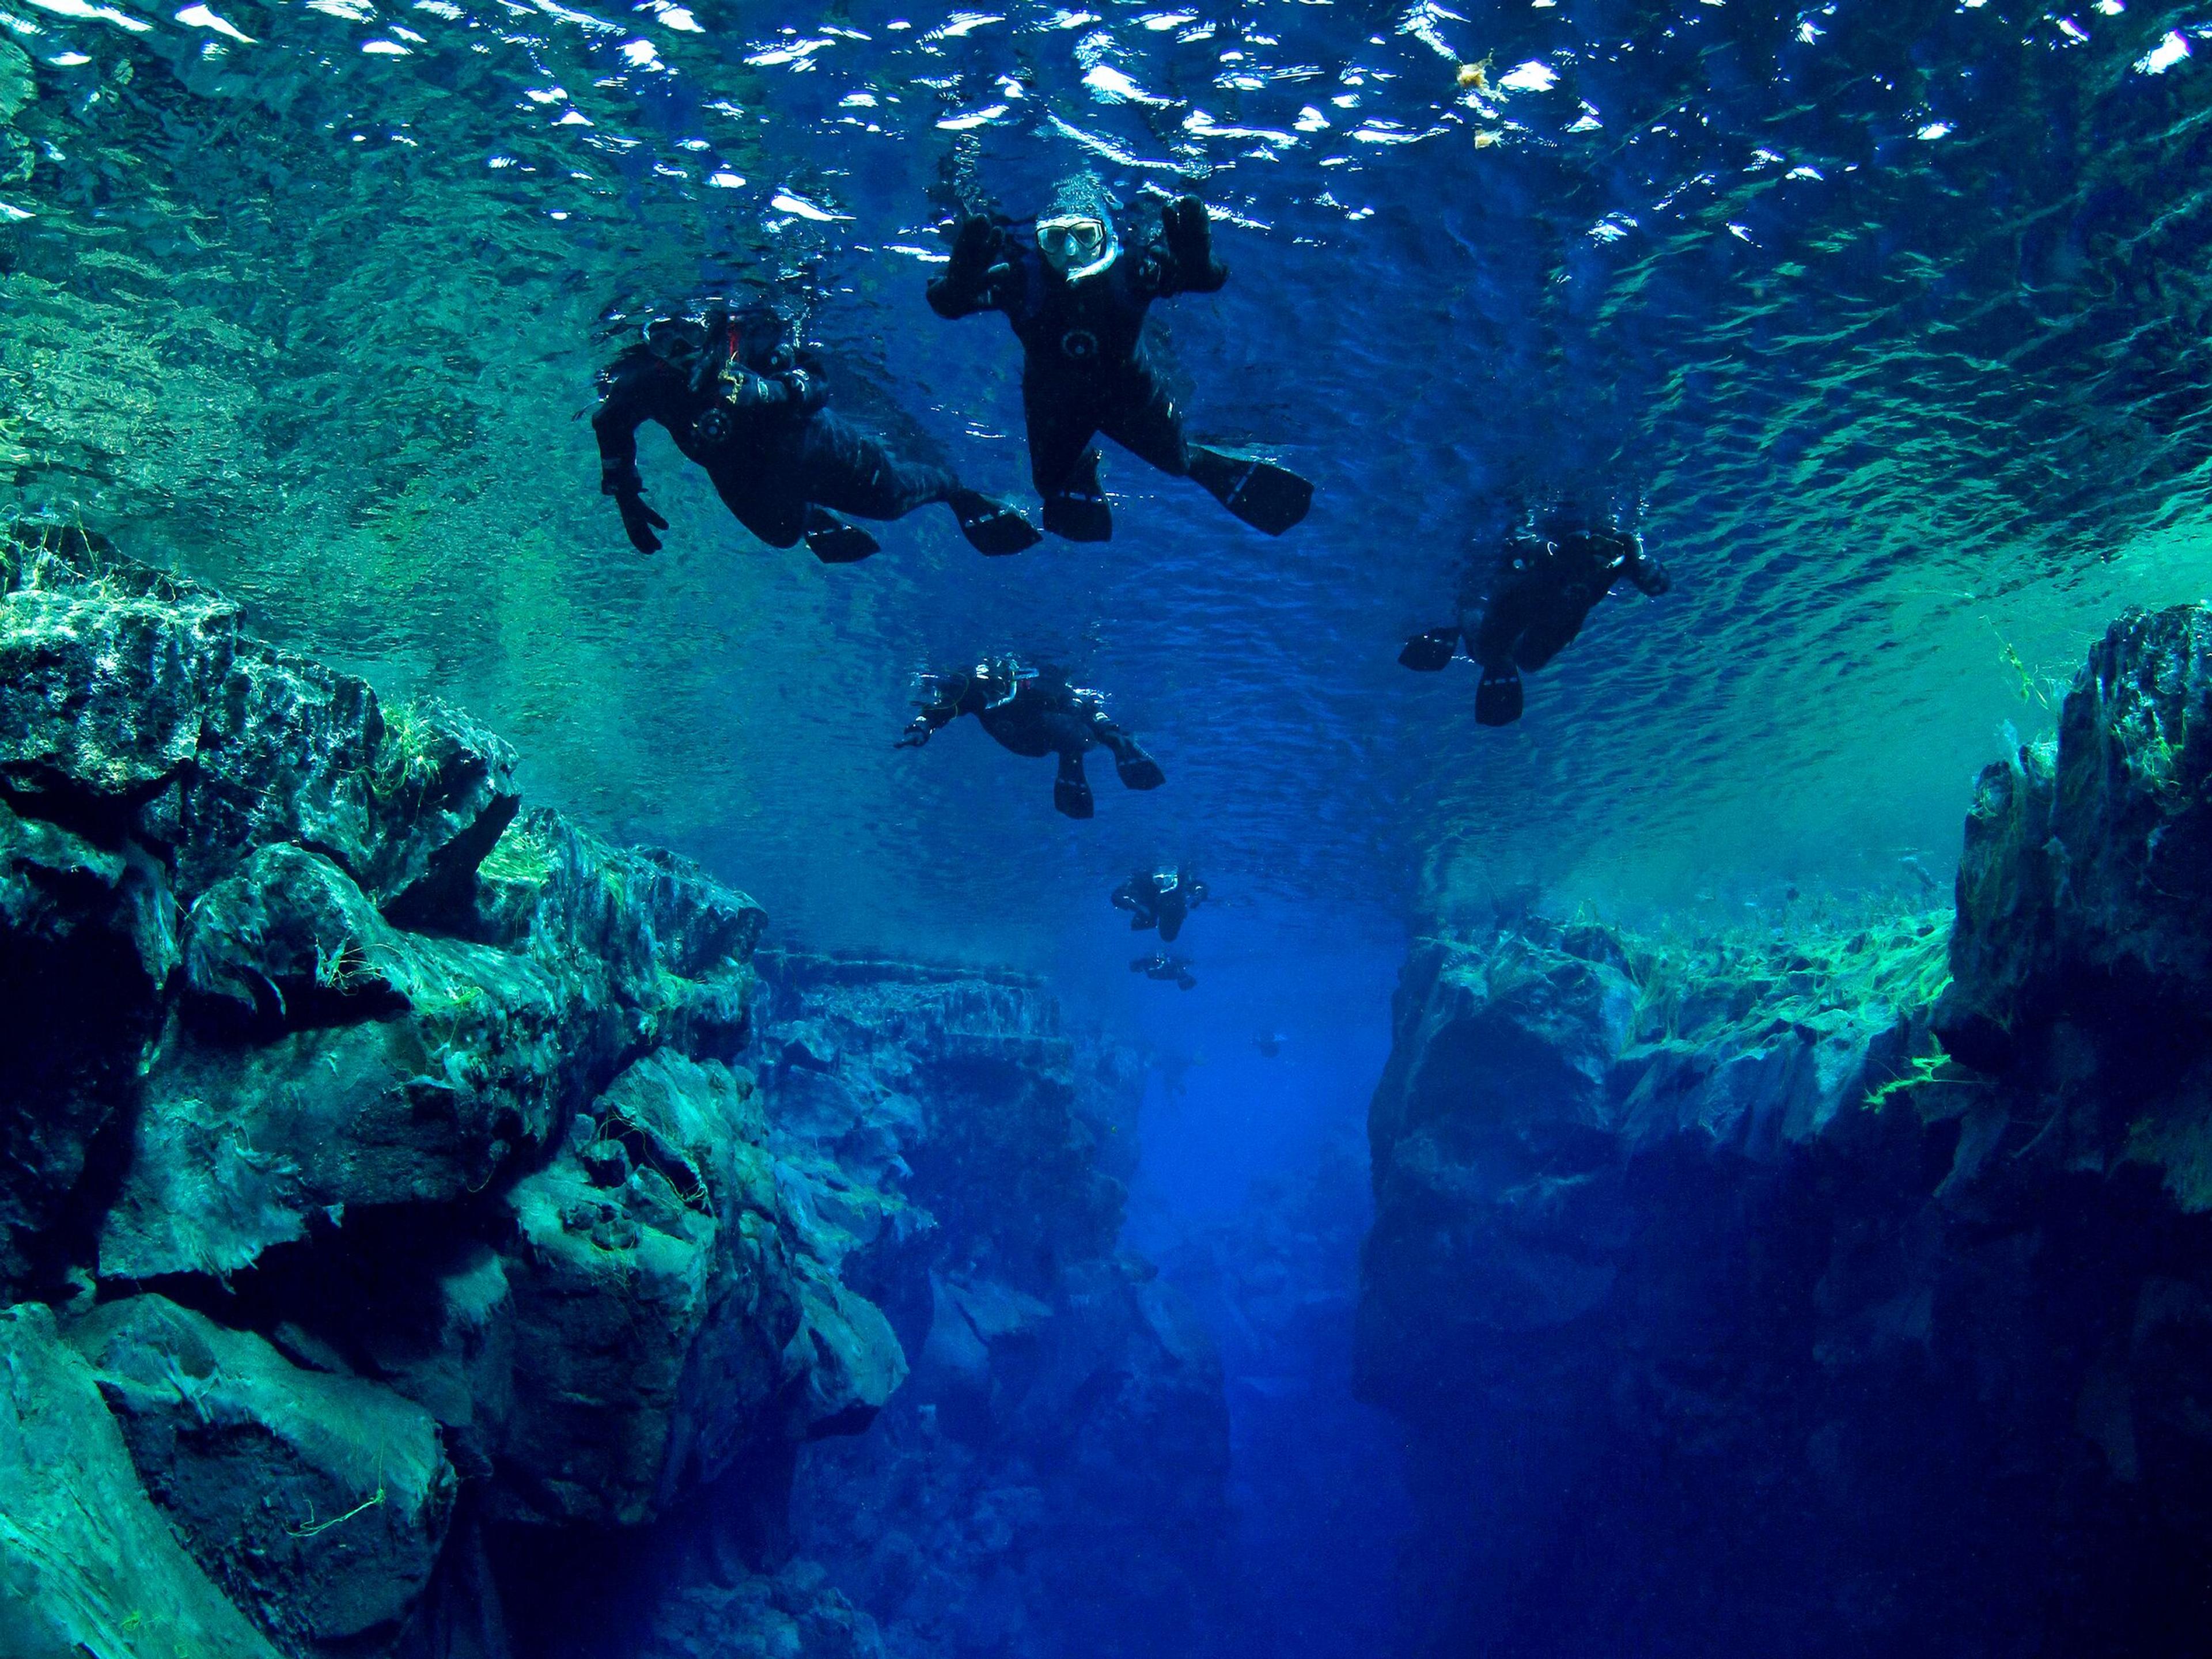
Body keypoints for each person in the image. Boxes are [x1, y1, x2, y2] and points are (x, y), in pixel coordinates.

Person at [924, 173, 1313, 543]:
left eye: (1084, 236)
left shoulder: (1131, 270)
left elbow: (1205, 278)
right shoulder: (1020, 279)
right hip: (1057, 402)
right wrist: (958, 282)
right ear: (1039, 240)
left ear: (1105, 236)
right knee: (1048, 485)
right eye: (1055, 239)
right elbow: (948, 303)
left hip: (1128, 395)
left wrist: (1197, 261)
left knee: (1178, 461)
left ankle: (1201, 462)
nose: (1071, 252)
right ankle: (1083, 467)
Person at [592, 303, 1039, 563]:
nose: (679, 352)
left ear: (709, 324)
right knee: (781, 536)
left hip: (810, 448)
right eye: (663, 341)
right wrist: (626, 495)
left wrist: (768, 390)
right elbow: (608, 422)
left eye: (687, 334)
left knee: (891, 502)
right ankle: (809, 516)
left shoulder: (753, 334)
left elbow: (819, 384)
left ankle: (957, 493)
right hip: (738, 472)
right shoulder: (647, 382)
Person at [1399, 521, 1671, 725]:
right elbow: (1624, 546)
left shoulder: (1490, 640)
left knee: (1512, 654)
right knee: (1524, 657)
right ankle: (1564, 568)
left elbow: (1479, 603)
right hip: (1547, 574)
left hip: (1540, 571)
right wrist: (1638, 565)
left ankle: (1562, 568)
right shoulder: (1505, 644)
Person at [895, 657, 1165, 819]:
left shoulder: (1039, 686)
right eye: (989, 689)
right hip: (1023, 743)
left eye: (1000, 688)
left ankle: (1095, 749)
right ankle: (1075, 753)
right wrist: (920, 729)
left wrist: (1109, 732)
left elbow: (1084, 706)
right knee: (1064, 728)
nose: (993, 696)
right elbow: (942, 710)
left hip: (1051, 734)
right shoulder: (974, 691)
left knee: (1068, 723)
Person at [1111, 866, 1207, 944]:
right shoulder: (1183, 895)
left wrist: (1137, 906)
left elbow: (1117, 897)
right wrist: (1199, 895)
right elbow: (1197, 887)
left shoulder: (1148, 901)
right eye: (1176, 919)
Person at [1131, 952, 1197, 991]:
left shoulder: (1172, 974)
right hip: (1158, 957)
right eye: (1187, 977)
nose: (1184, 976)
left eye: (1183, 980)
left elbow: (1153, 974)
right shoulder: (1180, 969)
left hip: (1154, 960)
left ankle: (1138, 965)